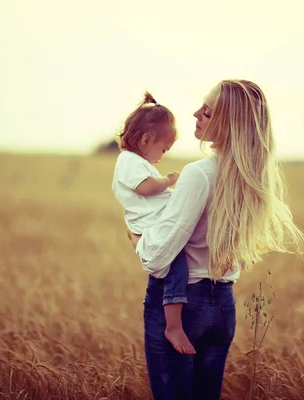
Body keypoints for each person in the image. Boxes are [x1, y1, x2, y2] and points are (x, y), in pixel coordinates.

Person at [128, 80, 304, 400]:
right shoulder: (251, 178)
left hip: (181, 304)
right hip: (222, 307)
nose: (196, 113)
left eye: (208, 111)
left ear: (228, 123)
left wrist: (136, 236)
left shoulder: (198, 174)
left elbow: (157, 258)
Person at [112, 92, 196, 355]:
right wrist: (168, 181)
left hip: (154, 225)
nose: (163, 155)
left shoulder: (137, 162)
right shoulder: (129, 161)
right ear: (146, 139)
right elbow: (146, 188)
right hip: (152, 227)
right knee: (177, 269)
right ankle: (173, 325)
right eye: (163, 149)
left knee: (179, 266)